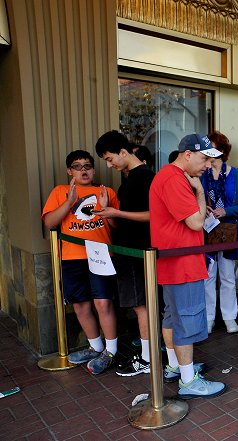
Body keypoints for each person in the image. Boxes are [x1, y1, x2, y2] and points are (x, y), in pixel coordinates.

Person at [149, 133, 226, 399]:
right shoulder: (175, 179)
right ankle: (188, 379)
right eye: (204, 158)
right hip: (182, 261)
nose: (207, 165)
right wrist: (201, 191)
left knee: (173, 316)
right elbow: (195, 222)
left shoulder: (170, 176)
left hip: (173, 260)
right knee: (187, 318)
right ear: (188, 155)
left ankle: (176, 365)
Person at [42, 150, 119, 375]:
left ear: (94, 169)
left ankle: (111, 351)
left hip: (101, 256)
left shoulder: (107, 191)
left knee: (103, 303)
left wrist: (107, 212)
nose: (83, 170)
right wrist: (69, 202)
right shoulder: (60, 191)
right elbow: (49, 223)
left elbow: (118, 228)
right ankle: (96, 347)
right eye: (77, 166)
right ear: (69, 171)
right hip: (72, 257)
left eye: (87, 165)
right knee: (80, 304)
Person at [94, 130, 155, 376]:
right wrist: (107, 211)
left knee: (142, 306)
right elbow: (123, 222)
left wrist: (115, 213)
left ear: (122, 152)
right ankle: (148, 355)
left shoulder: (145, 177)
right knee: (139, 305)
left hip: (139, 251)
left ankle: (148, 358)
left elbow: (153, 216)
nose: (109, 165)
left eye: (110, 159)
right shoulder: (128, 179)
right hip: (128, 251)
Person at [201, 132, 238, 334]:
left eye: (211, 148)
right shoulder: (201, 173)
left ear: (222, 150)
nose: (208, 153)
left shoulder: (236, 175)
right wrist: (202, 208)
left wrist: (226, 211)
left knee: (228, 276)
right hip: (208, 230)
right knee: (208, 276)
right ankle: (209, 318)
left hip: (229, 230)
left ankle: (230, 316)